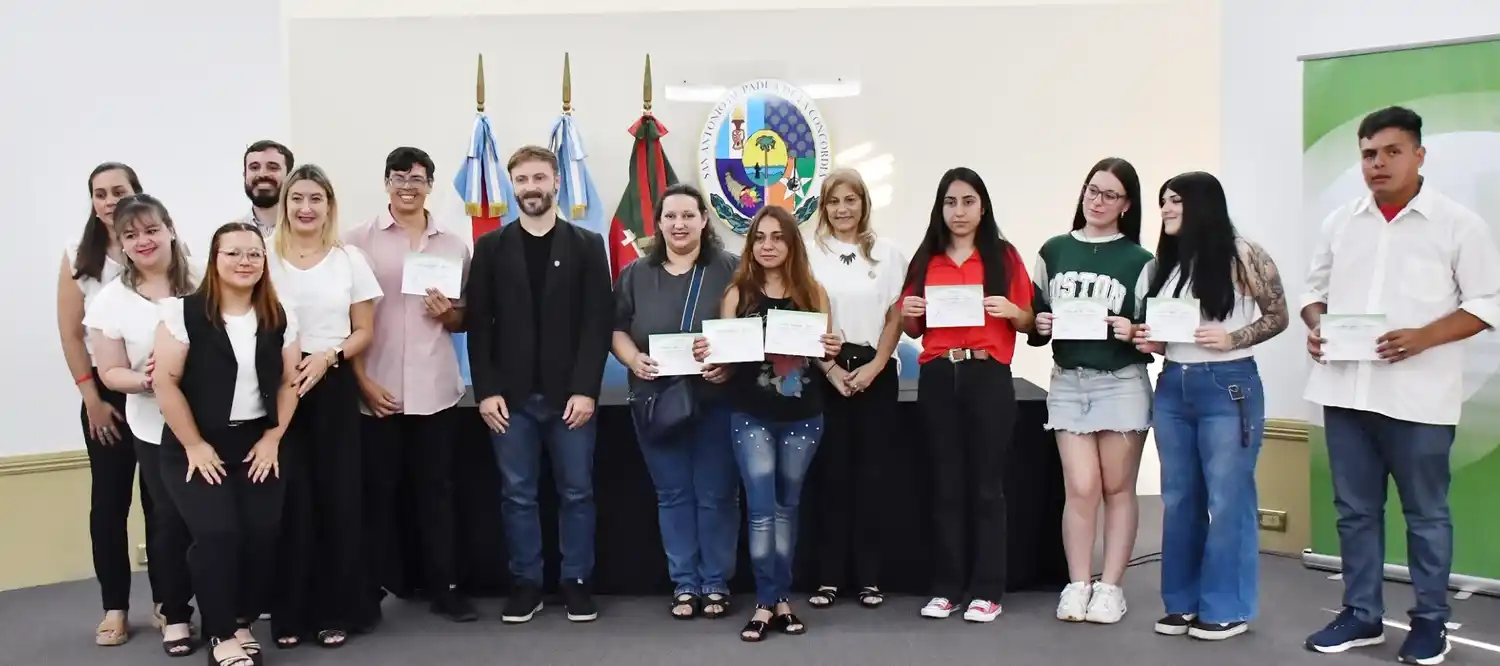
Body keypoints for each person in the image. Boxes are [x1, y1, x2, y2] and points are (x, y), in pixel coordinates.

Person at [1300, 106, 1499, 665]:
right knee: (1355, 513)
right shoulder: (1341, 221)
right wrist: (1318, 330)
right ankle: (1361, 615)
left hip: (1420, 397)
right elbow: (1312, 294)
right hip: (1345, 392)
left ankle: (1431, 623)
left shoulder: (1459, 224)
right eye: (1368, 154)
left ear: (1419, 155)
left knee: (1426, 515)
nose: (1378, 164)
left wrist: (1424, 336)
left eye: (1391, 152)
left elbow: (1487, 305)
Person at [1127, 171, 1288, 641]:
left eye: (1174, 201)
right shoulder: (1171, 264)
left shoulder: (1243, 253)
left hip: (1228, 385)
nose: (1166, 210)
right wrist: (1152, 340)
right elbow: (1172, 331)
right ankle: (1182, 603)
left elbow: (1278, 314)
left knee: (1228, 498)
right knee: (1179, 499)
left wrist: (1233, 337)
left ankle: (1226, 607)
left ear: (1202, 204)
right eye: (1162, 203)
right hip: (1174, 382)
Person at [467, 145, 613, 624]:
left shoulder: (589, 245)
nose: (531, 187)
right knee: (517, 495)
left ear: (556, 182)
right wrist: (485, 390)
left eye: (539, 178)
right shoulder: (490, 247)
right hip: (508, 400)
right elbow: (479, 326)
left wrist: (587, 389)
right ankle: (526, 583)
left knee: (577, 493)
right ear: (513, 186)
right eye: (522, 179)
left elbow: (597, 323)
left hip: (571, 398)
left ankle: (576, 582)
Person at [151, 221, 302, 666]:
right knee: (218, 535)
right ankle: (220, 634)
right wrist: (195, 445)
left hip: (258, 440)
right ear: (214, 261)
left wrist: (274, 437)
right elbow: (165, 383)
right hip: (194, 445)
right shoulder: (182, 313)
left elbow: (290, 383)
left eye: (254, 253)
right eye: (233, 253)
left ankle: (240, 620)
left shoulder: (280, 313)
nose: (244, 261)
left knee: (260, 534)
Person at [690, 205, 842, 642]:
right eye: (761, 237)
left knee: (786, 509)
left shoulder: (814, 291)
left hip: (803, 418)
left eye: (778, 237)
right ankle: (765, 601)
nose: (769, 245)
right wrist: (709, 352)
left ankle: (781, 600)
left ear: (792, 244)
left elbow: (822, 355)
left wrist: (830, 346)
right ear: (751, 244)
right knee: (760, 512)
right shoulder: (739, 293)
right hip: (751, 416)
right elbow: (725, 359)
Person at [344, 146, 477, 623]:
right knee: (377, 495)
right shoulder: (356, 242)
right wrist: (360, 382)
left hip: (435, 389)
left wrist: (450, 313)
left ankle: (445, 587)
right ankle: (372, 591)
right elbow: (344, 321)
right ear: (385, 183)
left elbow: (464, 320)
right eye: (398, 177)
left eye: (417, 178)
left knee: (437, 495)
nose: (407, 185)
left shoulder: (454, 245)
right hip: (376, 391)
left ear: (430, 185)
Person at [900, 167, 1034, 624]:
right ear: (940, 209)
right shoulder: (926, 259)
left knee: (986, 487)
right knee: (946, 485)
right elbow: (913, 328)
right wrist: (909, 313)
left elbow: (1030, 322)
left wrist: (1015, 311)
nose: (959, 211)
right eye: (950, 202)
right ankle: (946, 588)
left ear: (983, 206)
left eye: (968, 202)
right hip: (939, 375)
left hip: (987, 376)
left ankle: (987, 589)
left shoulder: (1004, 256)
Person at [1027, 158, 1155, 624]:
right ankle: (1078, 582)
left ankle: (1111, 587)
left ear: (1126, 205)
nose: (1098, 202)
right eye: (1092, 191)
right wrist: (1038, 324)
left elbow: (1155, 331)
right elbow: (1036, 319)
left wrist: (1133, 329)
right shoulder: (1054, 251)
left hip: (1121, 382)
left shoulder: (1141, 261)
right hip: (1068, 380)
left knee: (1118, 487)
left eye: (1110, 195)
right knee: (1080, 487)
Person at [610, 183, 740, 620]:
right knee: (672, 495)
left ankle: (716, 583)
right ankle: (685, 585)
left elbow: (747, 330)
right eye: (671, 216)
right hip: (655, 399)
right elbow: (617, 329)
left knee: (717, 495)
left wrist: (729, 366)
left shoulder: (731, 269)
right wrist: (634, 358)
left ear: (705, 220)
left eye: (688, 215)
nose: (679, 224)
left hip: (715, 398)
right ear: (659, 223)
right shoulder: (634, 274)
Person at [266, 165, 382, 648]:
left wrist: (327, 356)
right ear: (285, 204)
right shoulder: (265, 257)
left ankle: (338, 610)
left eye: (316, 199)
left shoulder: (348, 259)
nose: (306, 208)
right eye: (297, 199)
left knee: (337, 499)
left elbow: (364, 332)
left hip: (330, 385)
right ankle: (289, 614)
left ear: (329, 206)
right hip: (276, 387)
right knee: (289, 503)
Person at [84, 194, 203, 656]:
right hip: (154, 429)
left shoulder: (204, 281)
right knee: (169, 523)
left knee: (217, 522)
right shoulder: (112, 300)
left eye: (151, 230)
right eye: (130, 235)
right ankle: (175, 615)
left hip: (215, 422)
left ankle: (230, 613)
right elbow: (110, 372)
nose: (143, 241)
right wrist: (146, 380)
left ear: (170, 229)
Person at [54, 162, 163, 645]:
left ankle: (168, 601)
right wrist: (91, 397)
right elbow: (71, 334)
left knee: (163, 504)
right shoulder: (80, 257)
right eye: (99, 193)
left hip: (163, 392)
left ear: (137, 193)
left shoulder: (158, 247)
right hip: (106, 394)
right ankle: (115, 607)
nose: (109, 199)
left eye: (119, 190)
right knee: (110, 502)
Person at [804, 168, 906, 611]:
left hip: (875, 371)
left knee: (872, 478)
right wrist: (829, 369)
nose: (842, 209)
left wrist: (877, 365)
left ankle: (868, 578)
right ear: (822, 207)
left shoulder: (888, 253)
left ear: (864, 203)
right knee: (831, 476)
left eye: (851, 200)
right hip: (826, 372)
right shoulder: (810, 253)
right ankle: (828, 577)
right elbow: (801, 314)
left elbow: (897, 315)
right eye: (833, 202)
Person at [240, 140, 294, 237]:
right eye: (254, 167)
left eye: (273, 167)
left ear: (290, 176)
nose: (262, 174)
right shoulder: (229, 236)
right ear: (244, 175)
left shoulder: (309, 231)